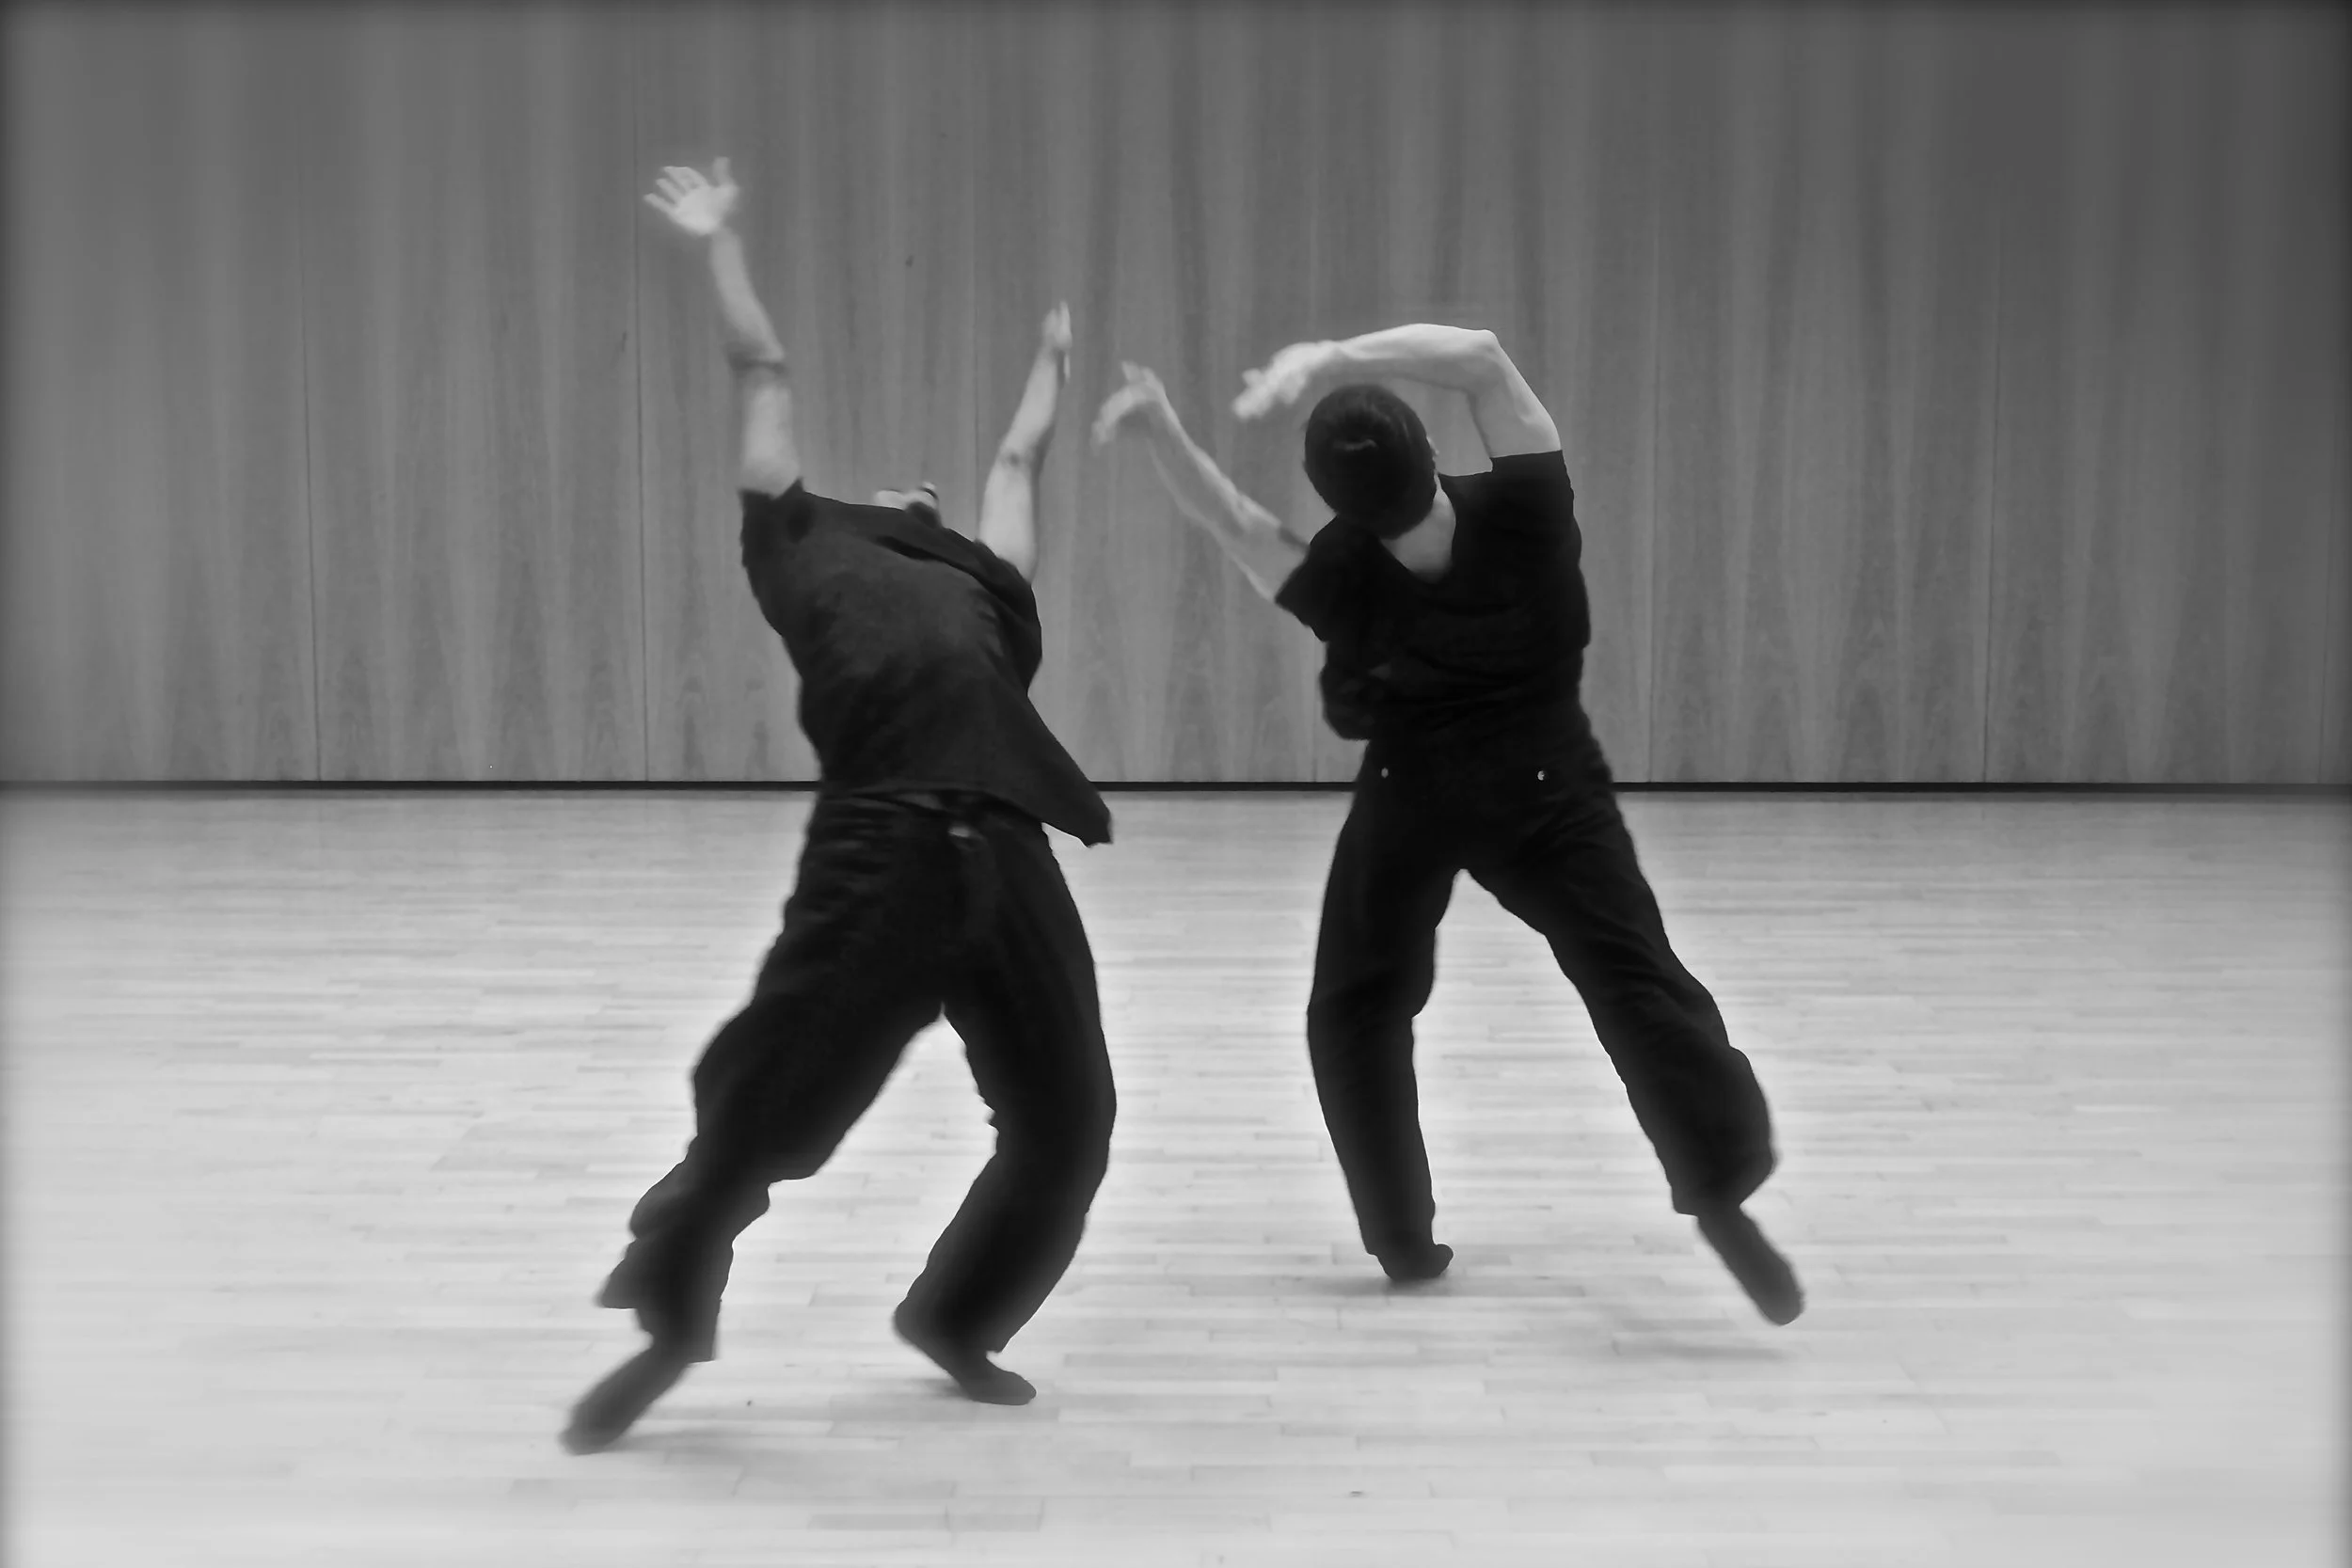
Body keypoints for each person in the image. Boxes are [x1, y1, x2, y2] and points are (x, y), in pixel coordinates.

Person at [563, 161, 1117, 1453]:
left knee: (1069, 1116)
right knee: (767, 1105)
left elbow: (1020, 454)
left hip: (1012, 850)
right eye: (906, 497)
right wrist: (718, 245)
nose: (919, 492)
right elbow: (766, 369)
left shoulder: (985, 580)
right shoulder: (798, 539)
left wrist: (1052, 362)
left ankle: (957, 1318)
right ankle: (665, 1321)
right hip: (885, 846)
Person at [1092, 325, 1802, 1324]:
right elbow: (1477, 355)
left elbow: (1230, 520)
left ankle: (1403, 1241)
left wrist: (1162, 427)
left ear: (1338, 504)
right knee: (1633, 977)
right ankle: (1721, 1189)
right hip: (1548, 781)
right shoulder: (1525, 509)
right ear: (1431, 456)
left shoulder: (1340, 573)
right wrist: (1330, 357)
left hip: (1412, 793)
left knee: (1356, 1010)